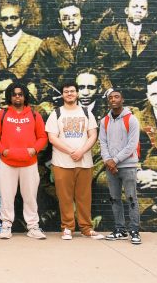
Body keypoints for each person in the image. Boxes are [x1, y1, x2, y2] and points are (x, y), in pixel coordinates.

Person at [0, 82, 48, 239]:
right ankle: (6, 225)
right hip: (7, 163)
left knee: (30, 197)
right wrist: (3, 150)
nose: (17, 97)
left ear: (24, 96)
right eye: (14, 94)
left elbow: (42, 137)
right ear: (10, 96)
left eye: (20, 94)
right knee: (7, 197)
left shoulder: (35, 115)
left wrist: (34, 149)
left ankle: (33, 226)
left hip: (29, 163)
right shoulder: (1, 115)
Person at [46, 82, 104, 240]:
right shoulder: (56, 113)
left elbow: (93, 135)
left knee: (84, 197)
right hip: (62, 163)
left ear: (77, 94)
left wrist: (81, 151)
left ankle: (86, 228)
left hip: (84, 163)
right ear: (63, 95)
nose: (69, 94)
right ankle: (67, 228)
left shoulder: (86, 113)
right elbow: (52, 138)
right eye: (66, 92)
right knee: (64, 197)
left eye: (72, 91)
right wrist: (71, 151)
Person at [97, 0, 157, 108]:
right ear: (126, 10)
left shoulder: (152, 37)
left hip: (143, 95)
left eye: (143, 8)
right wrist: (109, 90)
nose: (139, 10)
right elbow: (100, 65)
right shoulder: (110, 32)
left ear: (147, 14)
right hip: (116, 90)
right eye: (135, 6)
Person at [99, 88, 142, 244]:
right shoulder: (104, 121)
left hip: (128, 165)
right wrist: (108, 160)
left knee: (131, 198)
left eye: (116, 97)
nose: (113, 99)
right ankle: (120, 229)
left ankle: (135, 231)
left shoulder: (131, 119)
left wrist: (114, 160)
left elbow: (132, 145)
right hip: (111, 166)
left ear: (122, 100)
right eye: (110, 97)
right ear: (108, 101)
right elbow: (102, 143)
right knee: (114, 198)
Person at [33, 3, 97, 104]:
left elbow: (99, 72)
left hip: (88, 98)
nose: (71, 21)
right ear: (59, 21)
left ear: (81, 17)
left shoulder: (93, 43)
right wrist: (54, 97)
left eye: (75, 16)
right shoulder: (48, 45)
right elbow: (42, 77)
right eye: (66, 18)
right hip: (58, 99)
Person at [0, 2, 42, 82]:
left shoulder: (36, 43)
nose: (9, 23)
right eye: (4, 19)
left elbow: (40, 77)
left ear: (22, 20)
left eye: (14, 18)